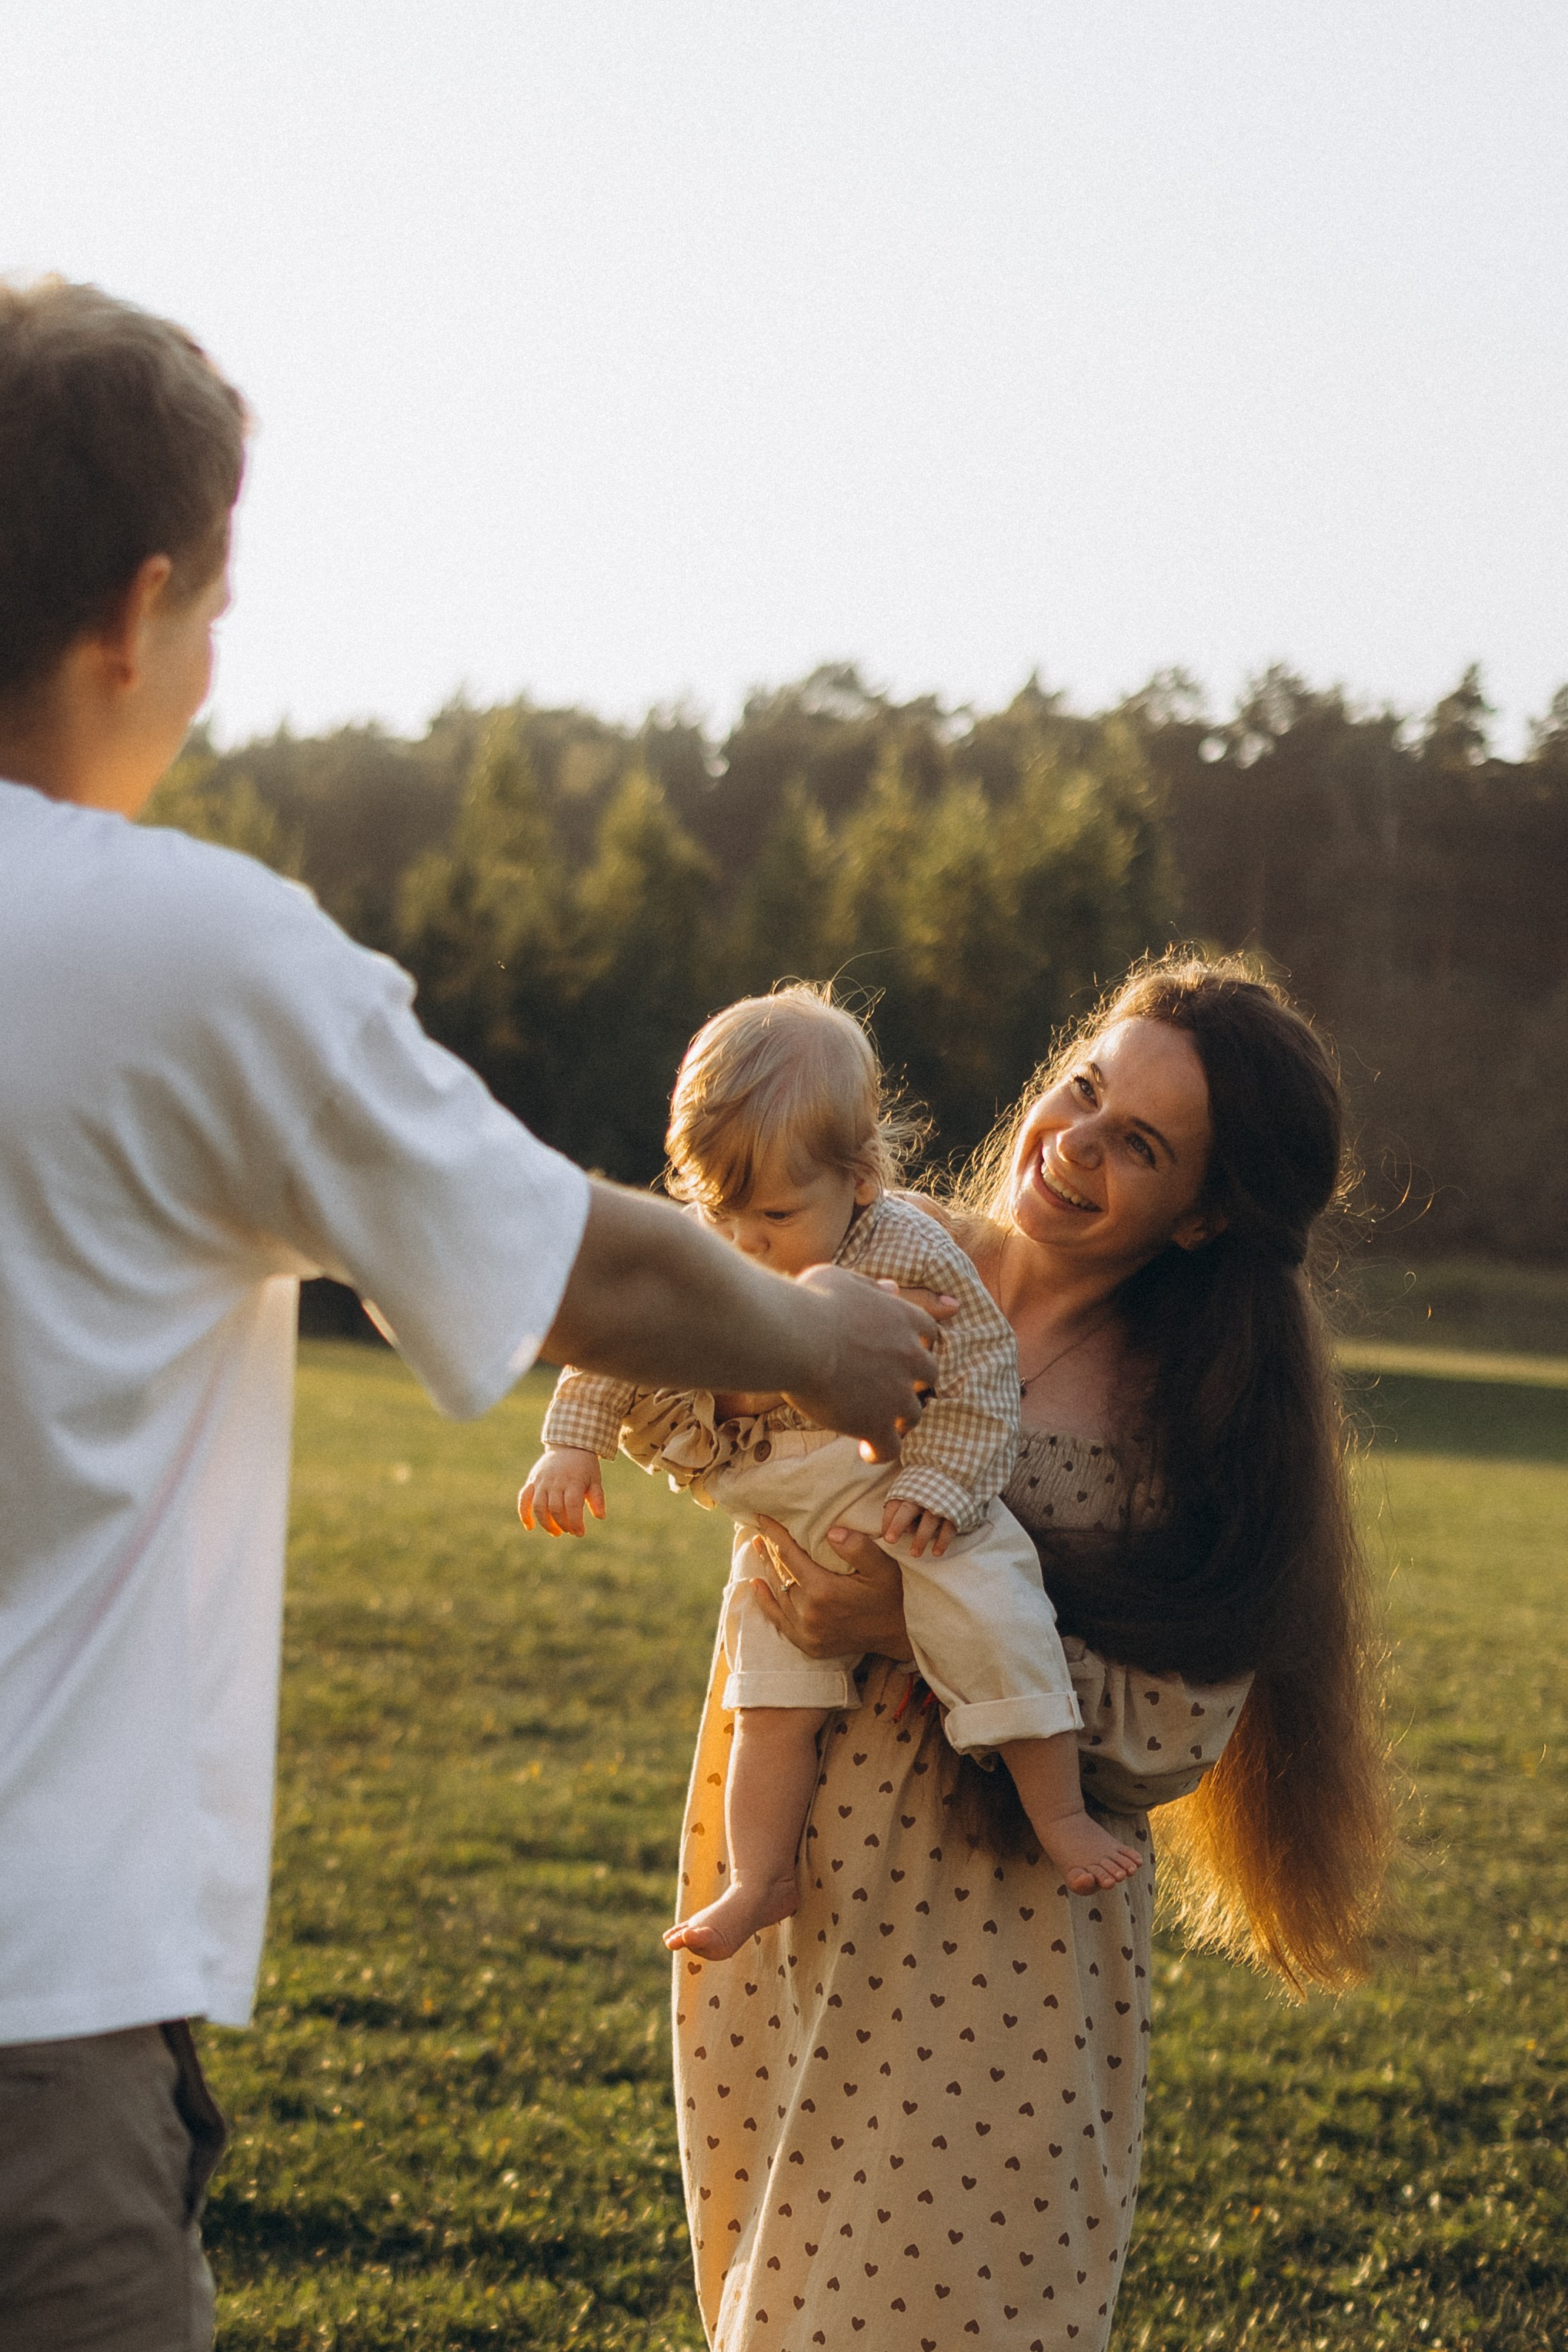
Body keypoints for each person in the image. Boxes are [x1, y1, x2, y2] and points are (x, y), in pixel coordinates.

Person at [0, 279, 939, 2352]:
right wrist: (819, 1344)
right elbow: (571, 1258)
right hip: (31, 2007)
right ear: (141, 608)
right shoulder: (187, 951)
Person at [673, 956, 1390, 2352]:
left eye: (1140, 1146)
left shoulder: (1194, 1415)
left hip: (986, 1960)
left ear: (1204, 1214)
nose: (1072, 1144)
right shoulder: (870, 1254)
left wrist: (906, 1623)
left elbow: (1173, 1731)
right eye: (1084, 1090)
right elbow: (692, 1404)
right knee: (763, 2307)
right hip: (786, 1894)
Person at [522, 990, 1140, 1962]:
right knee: (768, 1700)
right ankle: (758, 1880)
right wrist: (572, 1442)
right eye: (718, 1209)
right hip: (783, 1528)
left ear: (859, 1178)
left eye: (772, 1213)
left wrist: (942, 1484)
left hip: (908, 1499)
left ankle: (1060, 1815)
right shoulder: (719, 1239)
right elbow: (623, 1330)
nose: (745, 1242)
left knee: (1000, 1620)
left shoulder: (909, 1245)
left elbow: (979, 1372)